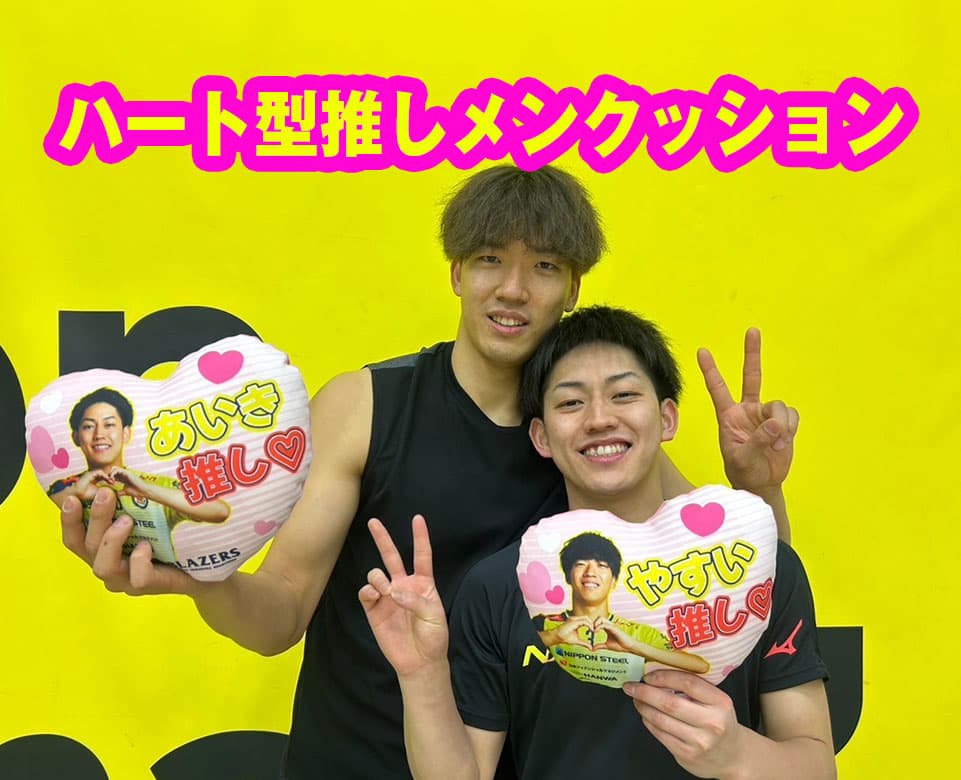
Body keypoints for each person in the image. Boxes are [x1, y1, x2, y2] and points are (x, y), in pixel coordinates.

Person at [60, 166, 798, 779]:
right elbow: (279, 614)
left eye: (544, 266)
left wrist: (758, 487)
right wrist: (198, 575)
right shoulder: (366, 406)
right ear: (455, 272)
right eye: (489, 260)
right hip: (353, 763)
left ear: (574, 289)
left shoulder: (593, 434)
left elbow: (752, 591)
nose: (513, 289)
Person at [360, 306, 834, 780]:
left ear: (667, 419)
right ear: (541, 436)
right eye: (571, 403)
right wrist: (421, 675)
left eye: (624, 395)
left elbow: (817, 766)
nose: (600, 419)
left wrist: (736, 755)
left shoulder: (752, 568)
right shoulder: (500, 586)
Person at [48, 387, 229, 561]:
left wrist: (146, 490)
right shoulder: (67, 486)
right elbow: (48, 505)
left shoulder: (152, 484)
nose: (99, 434)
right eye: (88, 426)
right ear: (76, 437)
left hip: (158, 572)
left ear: (126, 433)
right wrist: (77, 493)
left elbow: (219, 511)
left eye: (109, 424)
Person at [535, 531, 709, 675]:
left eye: (602, 565)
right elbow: (519, 651)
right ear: (568, 576)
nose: (590, 572)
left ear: (614, 580)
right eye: (581, 564)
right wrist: (554, 637)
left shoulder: (639, 633)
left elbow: (700, 666)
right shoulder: (544, 624)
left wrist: (634, 646)